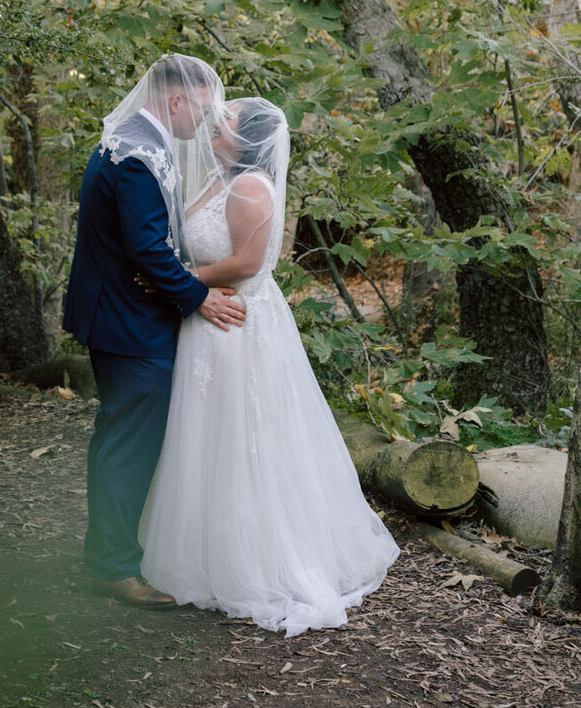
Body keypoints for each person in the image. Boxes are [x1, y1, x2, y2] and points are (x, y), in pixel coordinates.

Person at [140, 97, 400, 634]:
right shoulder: (219, 182)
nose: (216, 122)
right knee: (205, 437)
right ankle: (201, 550)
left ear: (250, 136)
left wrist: (179, 277)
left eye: (228, 119)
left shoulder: (251, 187)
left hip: (237, 325)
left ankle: (256, 562)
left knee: (245, 437)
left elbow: (246, 264)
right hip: (208, 319)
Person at [62, 55, 247, 607]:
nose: (206, 121)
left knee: (118, 438)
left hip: (118, 312)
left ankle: (108, 553)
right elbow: (146, 247)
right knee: (128, 445)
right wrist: (199, 297)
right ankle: (114, 567)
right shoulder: (140, 154)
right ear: (175, 100)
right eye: (203, 108)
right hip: (128, 320)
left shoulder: (132, 139)